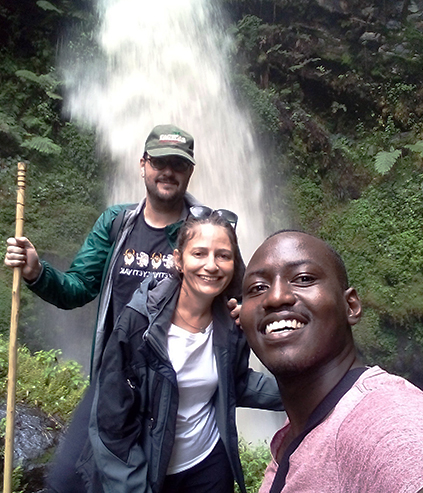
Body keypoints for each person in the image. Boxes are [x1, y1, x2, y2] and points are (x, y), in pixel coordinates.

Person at [4, 124, 230, 492]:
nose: (168, 171)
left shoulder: (204, 232)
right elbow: (78, 288)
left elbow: (232, 297)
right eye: (159, 162)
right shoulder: (116, 224)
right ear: (143, 164)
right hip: (113, 379)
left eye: (178, 164)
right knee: (65, 483)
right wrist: (36, 271)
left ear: (190, 171)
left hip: (177, 384)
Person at [86, 210, 283, 493]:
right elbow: (112, 421)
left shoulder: (230, 324)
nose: (212, 266)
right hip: (150, 472)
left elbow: (235, 382)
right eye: (199, 254)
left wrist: (305, 391)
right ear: (178, 260)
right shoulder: (139, 324)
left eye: (223, 256)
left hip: (209, 466)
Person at [239, 230, 423, 493]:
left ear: (350, 306)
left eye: (303, 278)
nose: (276, 297)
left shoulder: (387, 423)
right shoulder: (298, 428)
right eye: (257, 288)